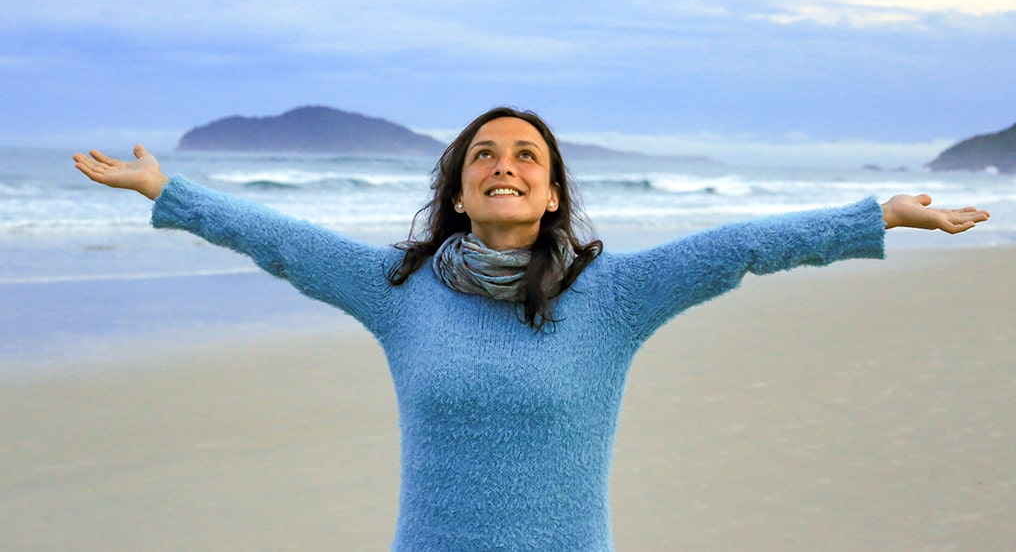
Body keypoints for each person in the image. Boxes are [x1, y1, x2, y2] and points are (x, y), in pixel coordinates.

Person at [73, 106, 989, 551]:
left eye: (525, 156)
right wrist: (169, 191)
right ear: (460, 190)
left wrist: (880, 216)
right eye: (482, 155)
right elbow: (281, 240)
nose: (501, 165)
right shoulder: (399, 287)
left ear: (551, 192)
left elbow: (742, 245)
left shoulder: (616, 294)